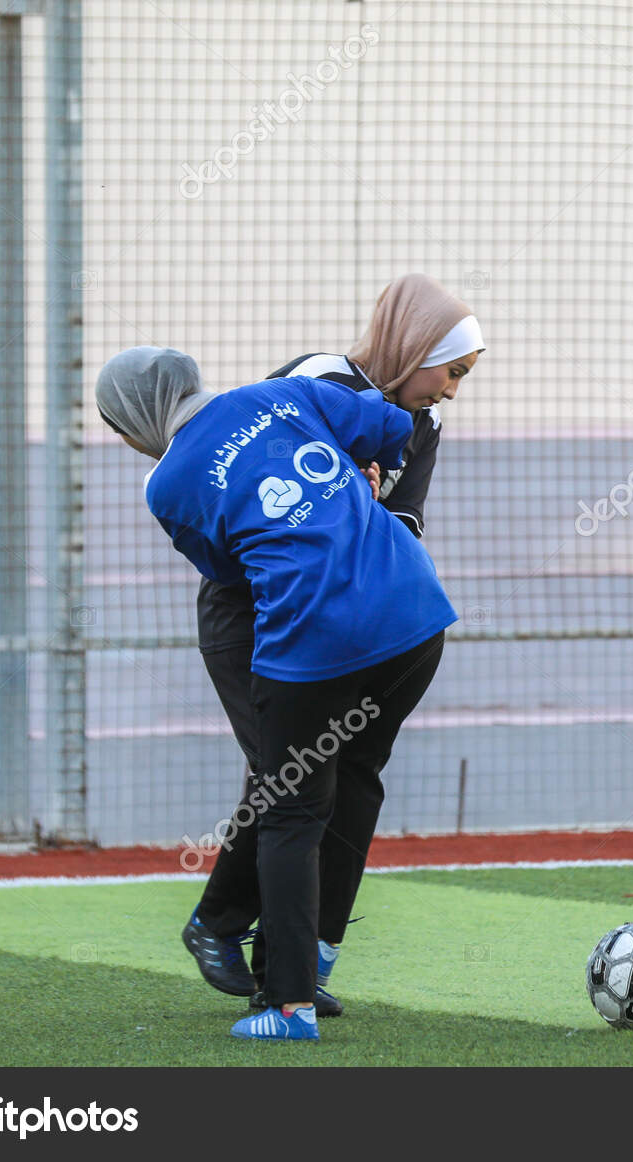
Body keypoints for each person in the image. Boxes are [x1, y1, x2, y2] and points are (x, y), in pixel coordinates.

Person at [96, 343, 458, 1040]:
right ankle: (303, 963)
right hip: (414, 614)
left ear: (136, 418)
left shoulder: (166, 485)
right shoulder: (277, 397)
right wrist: (355, 483)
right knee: (348, 778)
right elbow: (392, 426)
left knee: (291, 805)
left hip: (312, 636)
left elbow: (226, 567)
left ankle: (286, 1005)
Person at [186, 275, 482, 1021]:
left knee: (353, 772)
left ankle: (306, 959)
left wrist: (372, 503)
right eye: (451, 370)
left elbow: (405, 518)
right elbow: (241, 477)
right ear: (412, 348)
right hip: (255, 612)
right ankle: (224, 930)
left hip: (346, 614)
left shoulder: (423, 425)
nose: (451, 390)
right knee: (291, 777)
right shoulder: (315, 377)